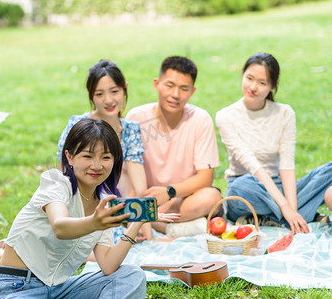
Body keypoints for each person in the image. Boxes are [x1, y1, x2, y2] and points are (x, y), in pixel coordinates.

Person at [0, 118, 178, 298]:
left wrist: (137, 222)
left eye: (106, 157)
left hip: (59, 289)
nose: (96, 165)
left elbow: (108, 264)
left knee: (131, 275)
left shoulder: (104, 201)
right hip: (17, 286)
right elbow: (60, 226)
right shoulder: (56, 183)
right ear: (69, 157)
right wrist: (95, 222)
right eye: (87, 156)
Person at [215, 52, 332, 234]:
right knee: (241, 187)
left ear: (273, 86)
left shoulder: (284, 113)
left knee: (329, 170)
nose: (253, 87)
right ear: (242, 75)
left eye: (262, 83)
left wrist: (291, 208)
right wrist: (285, 207)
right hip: (248, 191)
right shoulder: (225, 116)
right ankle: (301, 213)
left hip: (279, 188)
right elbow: (252, 165)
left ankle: (275, 219)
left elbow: (287, 164)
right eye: (249, 78)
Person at [126, 56, 223, 237]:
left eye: (184, 88)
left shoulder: (200, 120)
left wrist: (169, 192)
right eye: (169, 86)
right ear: (157, 84)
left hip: (179, 199)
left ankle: (154, 223)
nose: (175, 94)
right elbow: (127, 173)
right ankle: (166, 225)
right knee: (122, 198)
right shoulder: (136, 118)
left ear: (192, 91)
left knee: (212, 197)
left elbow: (205, 178)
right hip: (144, 197)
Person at [57, 59, 151, 241]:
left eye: (114, 91)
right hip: (77, 199)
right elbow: (64, 175)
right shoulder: (77, 125)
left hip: (112, 202)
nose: (108, 100)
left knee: (131, 239)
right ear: (90, 95)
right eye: (99, 94)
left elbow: (138, 180)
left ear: (125, 88)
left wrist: (142, 217)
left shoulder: (130, 129)